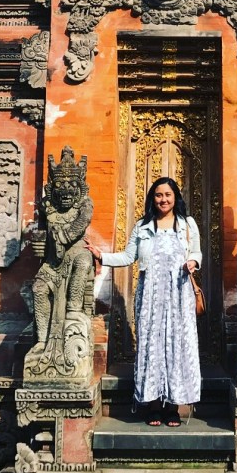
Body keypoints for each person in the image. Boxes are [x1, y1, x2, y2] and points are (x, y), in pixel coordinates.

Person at [85, 177, 201, 427]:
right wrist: (101, 255)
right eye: (159, 195)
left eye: (168, 195)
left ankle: (173, 406)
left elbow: (197, 252)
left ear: (175, 197)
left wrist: (193, 261)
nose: (163, 199)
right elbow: (128, 257)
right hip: (150, 297)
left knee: (177, 347)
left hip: (180, 296)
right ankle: (153, 406)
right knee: (152, 347)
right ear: (152, 198)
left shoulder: (187, 225)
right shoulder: (143, 226)